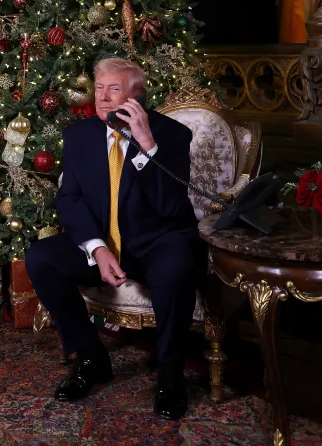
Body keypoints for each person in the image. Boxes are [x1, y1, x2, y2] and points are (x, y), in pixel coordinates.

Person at [26, 57, 199, 419]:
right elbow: (69, 198)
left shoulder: (171, 135)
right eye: (99, 88)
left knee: (176, 266)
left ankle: (170, 374)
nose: (103, 98)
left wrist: (146, 144)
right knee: (41, 258)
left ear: (137, 97)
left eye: (114, 89)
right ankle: (91, 357)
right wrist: (97, 248)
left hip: (157, 240)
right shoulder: (79, 135)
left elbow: (170, 207)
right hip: (106, 243)